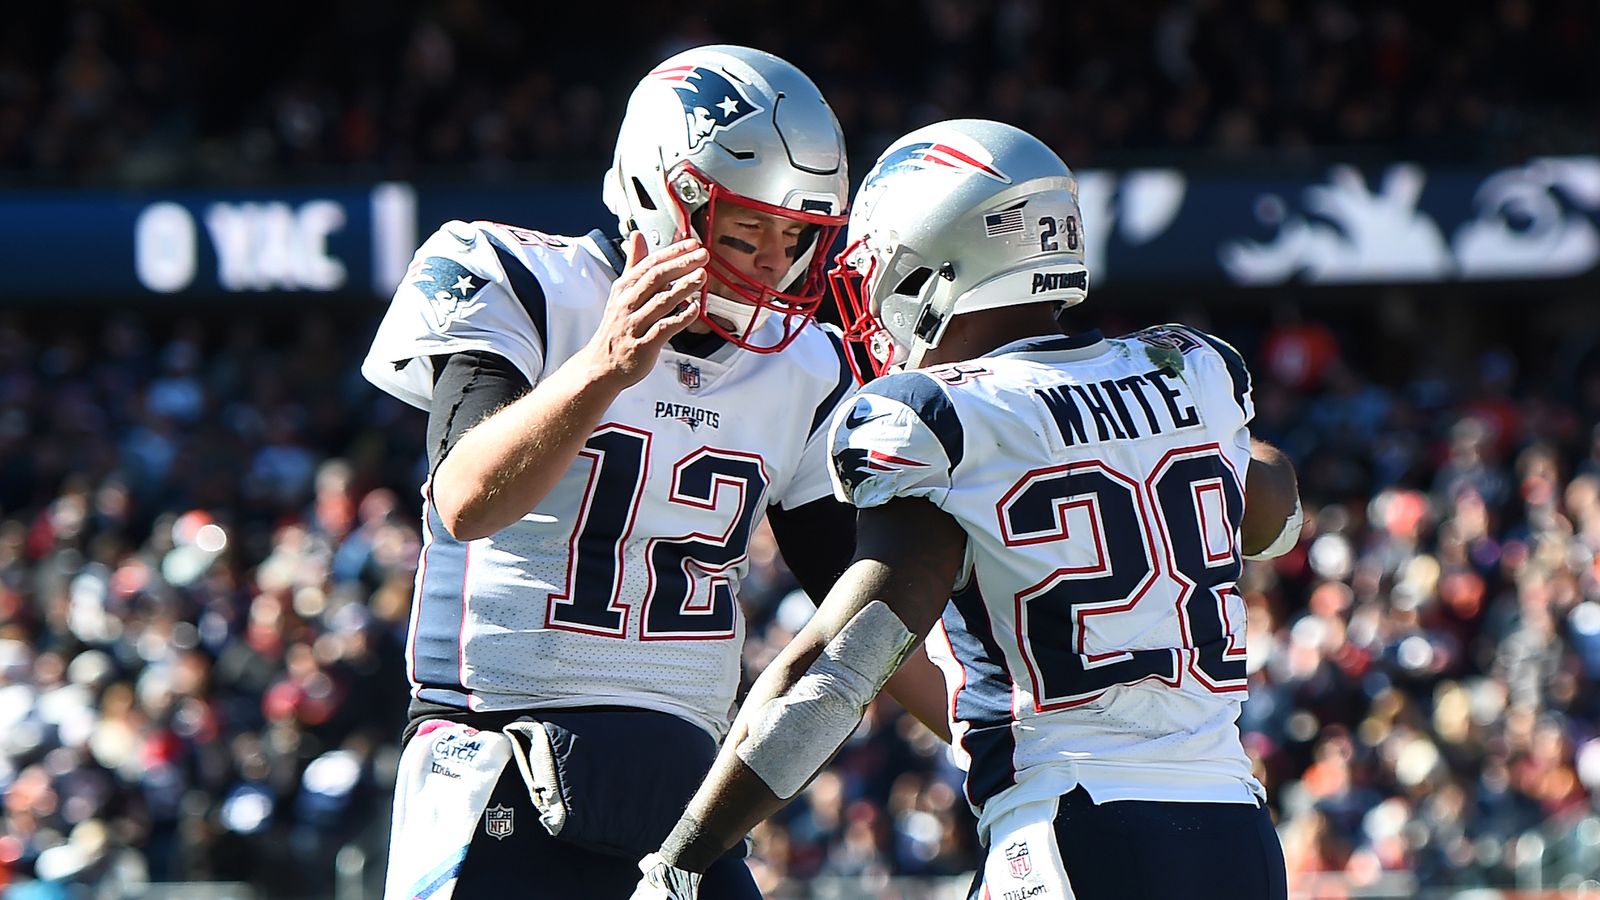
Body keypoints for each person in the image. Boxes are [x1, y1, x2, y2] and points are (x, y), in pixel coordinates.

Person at [630, 119, 1301, 900]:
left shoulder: (940, 415)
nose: (867, 295)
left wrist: (682, 858)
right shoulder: (1193, 370)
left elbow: (834, 671)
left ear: (932, 267)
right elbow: (1273, 516)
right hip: (1237, 836)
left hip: (1074, 830)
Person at [361, 46, 946, 900]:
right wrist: (603, 366)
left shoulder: (808, 367)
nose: (772, 266)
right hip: (493, 757)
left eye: (796, 239)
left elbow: (863, 608)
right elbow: (464, 499)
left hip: (684, 789)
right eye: (747, 231)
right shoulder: (524, 279)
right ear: (662, 194)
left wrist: (989, 741)